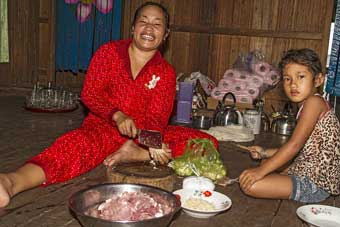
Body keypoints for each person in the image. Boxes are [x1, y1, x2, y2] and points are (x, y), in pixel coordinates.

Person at [0, 2, 217, 208]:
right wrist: (117, 115)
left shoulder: (165, 73)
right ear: (133, 28)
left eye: (157, 24)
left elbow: (157, 120)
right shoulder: (109, 53)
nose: (149, 28)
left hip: (143, 135)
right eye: (143, 21)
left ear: (165, 35)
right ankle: (11, 182)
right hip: (103, 128)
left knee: (206, 142)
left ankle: (137, 153)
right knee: (73, 147)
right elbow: (90, 94)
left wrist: (148, 142)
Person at [239, 48, 340, 203]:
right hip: (305, 168)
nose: (293, 84)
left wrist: (259, 173)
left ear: (318, 80)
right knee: (266, 163)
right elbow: (302, 148)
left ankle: (294, 188)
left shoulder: (314, 102)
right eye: (287, 79)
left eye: (300, 77)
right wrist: (264, 152)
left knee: (251, 185)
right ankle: (281, 178)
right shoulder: (308, 104)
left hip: (315, 183)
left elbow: (294, 145)